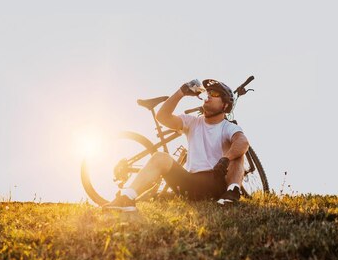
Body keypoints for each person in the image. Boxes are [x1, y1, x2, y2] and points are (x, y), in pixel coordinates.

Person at [103, 79, 250, 211]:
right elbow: (162, 117)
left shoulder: (227, 127)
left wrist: (226, 159)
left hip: (217, 183)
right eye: (209, 92)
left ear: (225, 105)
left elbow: (243, 142)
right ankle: (126, 198)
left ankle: (232, 193)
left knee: (238, 152)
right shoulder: (192, 122)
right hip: (191, 185)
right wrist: (181, 92)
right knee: (160, 157)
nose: (209, 95)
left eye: (215, 93)